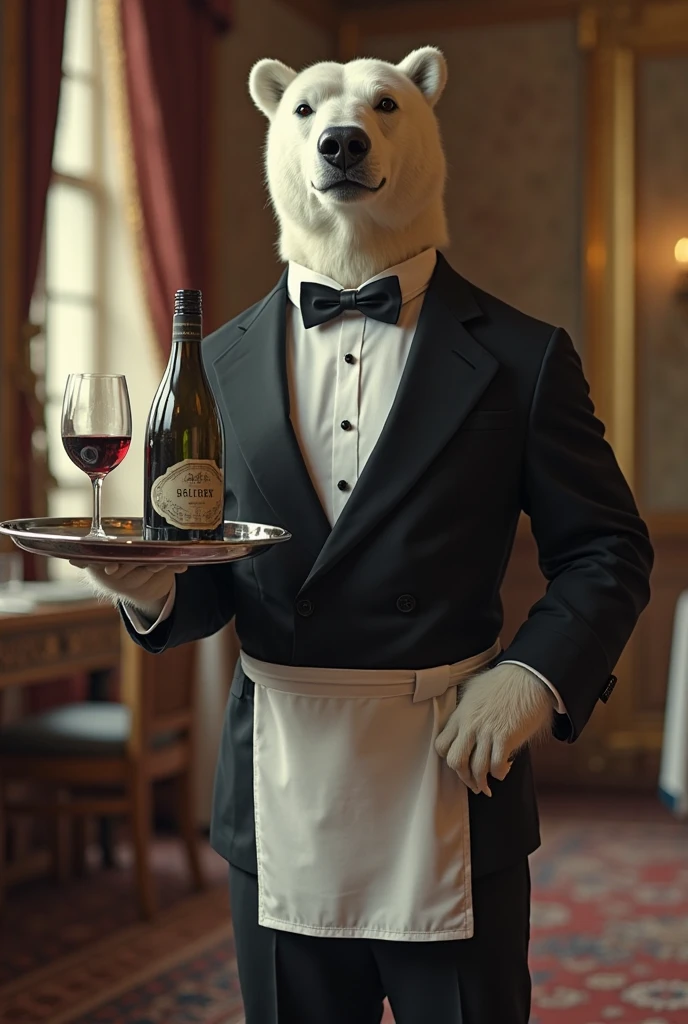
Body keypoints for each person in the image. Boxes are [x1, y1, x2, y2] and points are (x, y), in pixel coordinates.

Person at [76, 47, 653, 1024]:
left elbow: (609, 548)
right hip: (283, 788)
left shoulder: (524, 358)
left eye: (382, 107)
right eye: (309, 111)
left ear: (421, 126)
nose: (344, 132)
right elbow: (216, 583)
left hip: (453, 780)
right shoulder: (216, 362)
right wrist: (150, 588)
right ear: (279, 134)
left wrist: (533, 676)